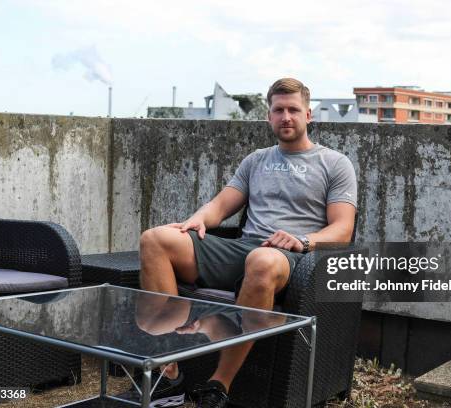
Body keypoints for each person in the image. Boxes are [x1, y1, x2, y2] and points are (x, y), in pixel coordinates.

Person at [139, 77, 358, 407]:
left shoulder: (334, 164)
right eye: (278, 110)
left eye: (293, 110)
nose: (286, 117)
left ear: (309, 115)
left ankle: (219, 384)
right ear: (269, 116)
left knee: (262, 260)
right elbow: (221, 205)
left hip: (292, 258)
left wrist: (303, 240)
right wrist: (199, 218)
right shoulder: (256, 160)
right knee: (155, 239)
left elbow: (342, 229)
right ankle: (169, 366)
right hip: (244, 247)